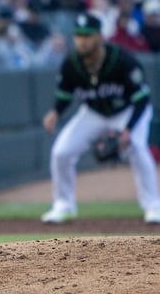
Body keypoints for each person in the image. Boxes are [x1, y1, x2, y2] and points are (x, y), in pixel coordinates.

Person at [41, 13, 160, 224]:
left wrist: (128, 130)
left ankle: (153, 207)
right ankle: (63, 204)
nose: (82, 40)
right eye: (78, 35)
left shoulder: (121, 60)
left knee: (138, 148)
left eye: (87, 35)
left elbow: (142, 99)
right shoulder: (72, 63)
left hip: (128, 111)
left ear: (99, 37)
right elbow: (65, 95)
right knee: (61, 152)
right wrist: (55, 112)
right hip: (93, 113)